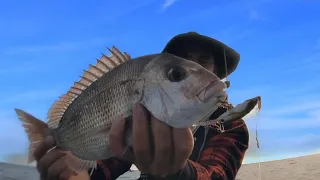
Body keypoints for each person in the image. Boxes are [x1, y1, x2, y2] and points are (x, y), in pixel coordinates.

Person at [33, 32, 249, 180]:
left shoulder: (231, 124)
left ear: (218, 75)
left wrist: (177, 173)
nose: (196, 69)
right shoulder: (142, 115)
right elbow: (110, 159)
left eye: (203, 62)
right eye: (177, 73)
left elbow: (219, 174)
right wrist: (75, 173)